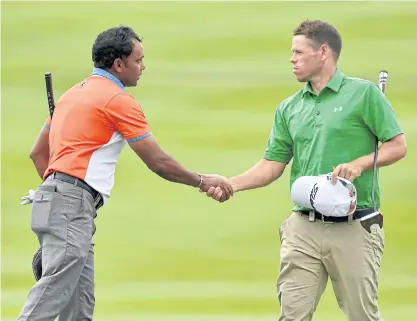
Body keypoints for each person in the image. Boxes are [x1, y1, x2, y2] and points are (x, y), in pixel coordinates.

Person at [18, 26, 232, 321]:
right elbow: (157, 161)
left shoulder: (72, 94)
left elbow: (38, 154)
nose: (143, 67)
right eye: (138, 60)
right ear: (118, 64)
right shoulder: (117, 100)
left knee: (79, 308)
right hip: (70, 206)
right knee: (51, 296)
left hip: (56, 203)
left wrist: (58, 197)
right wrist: (202, 180)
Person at [205, 19, 407, 321]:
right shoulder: (289, 108)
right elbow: (272, 164)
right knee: (293, 315)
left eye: (299, 52)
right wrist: (232, 184)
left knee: (362, 316)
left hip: (354, 226)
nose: (292, 59)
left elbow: (396, 145)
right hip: (304, 226)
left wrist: (359, 164)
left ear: (323, 52)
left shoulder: (363, 95)